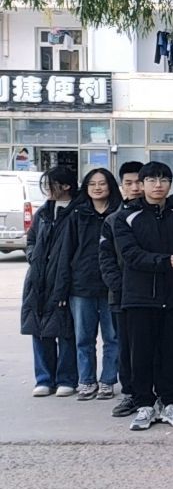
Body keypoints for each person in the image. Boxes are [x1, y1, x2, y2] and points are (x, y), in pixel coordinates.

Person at [114, 162, 173, 431]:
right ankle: (144, 405)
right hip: (138, 298)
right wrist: (165, 261)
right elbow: (130, 255)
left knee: (171, 353)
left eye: (163, 180)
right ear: (142, 185)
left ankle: (170, 402)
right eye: (151, 180)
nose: (158, 185)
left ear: (171, 184)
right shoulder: (126, 217)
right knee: (140, 354)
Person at [52, 168, 122, 400]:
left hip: (112, 287)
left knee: (112, 338)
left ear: (110, 185)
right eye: (92, 184)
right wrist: (61, 290)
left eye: (102, 183)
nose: (97, 188)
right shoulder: (77, 215)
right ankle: (87, 381)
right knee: (83, 338)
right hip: (81, 286)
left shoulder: (119, 214)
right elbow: (65, 254)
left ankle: (108, 381)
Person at [22, 166, 77, 398]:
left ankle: (66, 378)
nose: (46, 189)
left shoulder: (77, 211)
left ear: (66, 186)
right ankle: (44, 378)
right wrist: (33, 256)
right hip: (38, 278)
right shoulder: (44, 212)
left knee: (65, 330)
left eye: (50, 184)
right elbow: (31, 240)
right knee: (39, 328)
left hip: (65, 278)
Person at [100, 161, 144, 417]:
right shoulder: (112, 220)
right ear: (121, 186)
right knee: (126, 348)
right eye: (129, 183)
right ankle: (130, 393)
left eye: (139, 182)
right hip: (122, 296)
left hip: (153, 295)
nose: (135, 187)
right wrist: (118, 287)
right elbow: (105, 259)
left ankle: (157, 394)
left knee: (156, 347)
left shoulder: (158, 216)